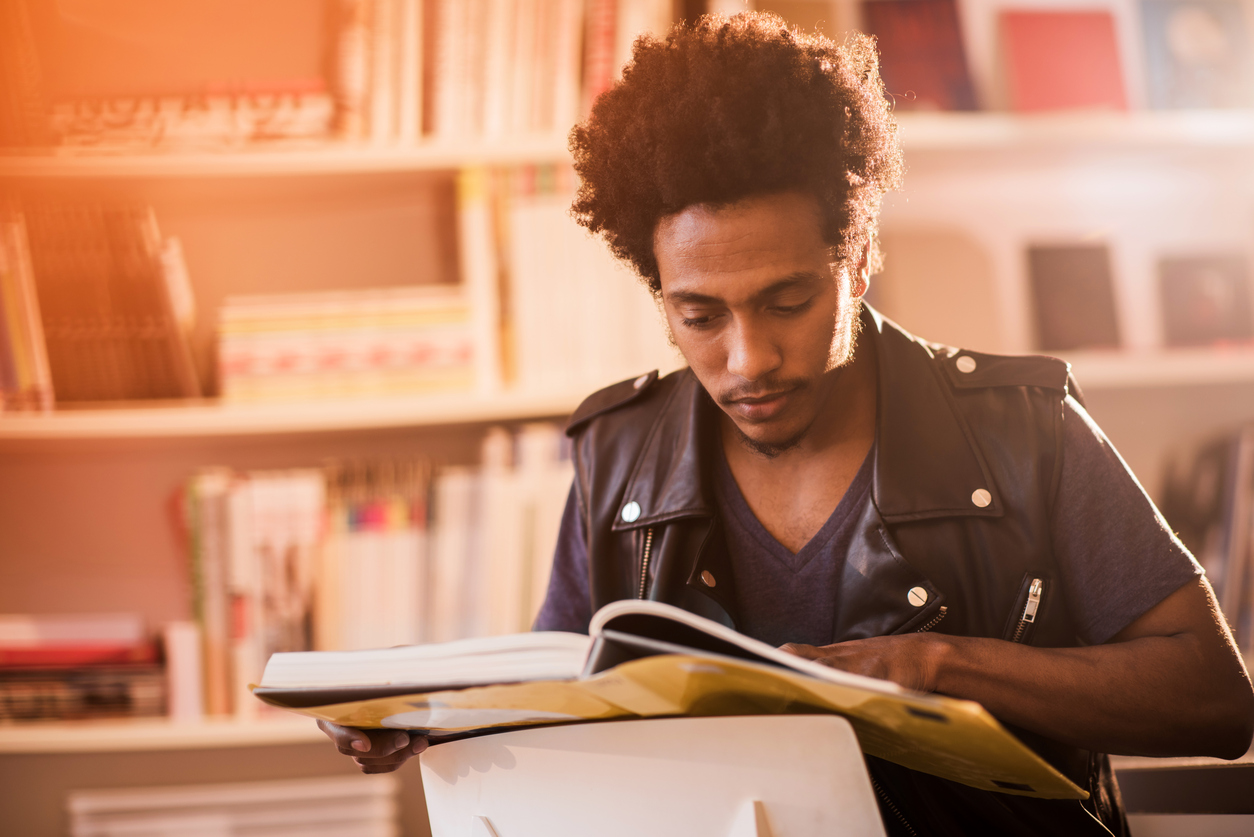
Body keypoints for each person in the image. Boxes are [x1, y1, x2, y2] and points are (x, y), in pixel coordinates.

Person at [320, 12, 1254, 834]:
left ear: (856, 259)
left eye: (788, 299)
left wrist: (940, 665)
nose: (748, 357)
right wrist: (427, 711)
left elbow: (1215, 702)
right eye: (701, 316)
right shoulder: (618, 457)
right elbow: (567, 697)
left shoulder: (1021, 429)